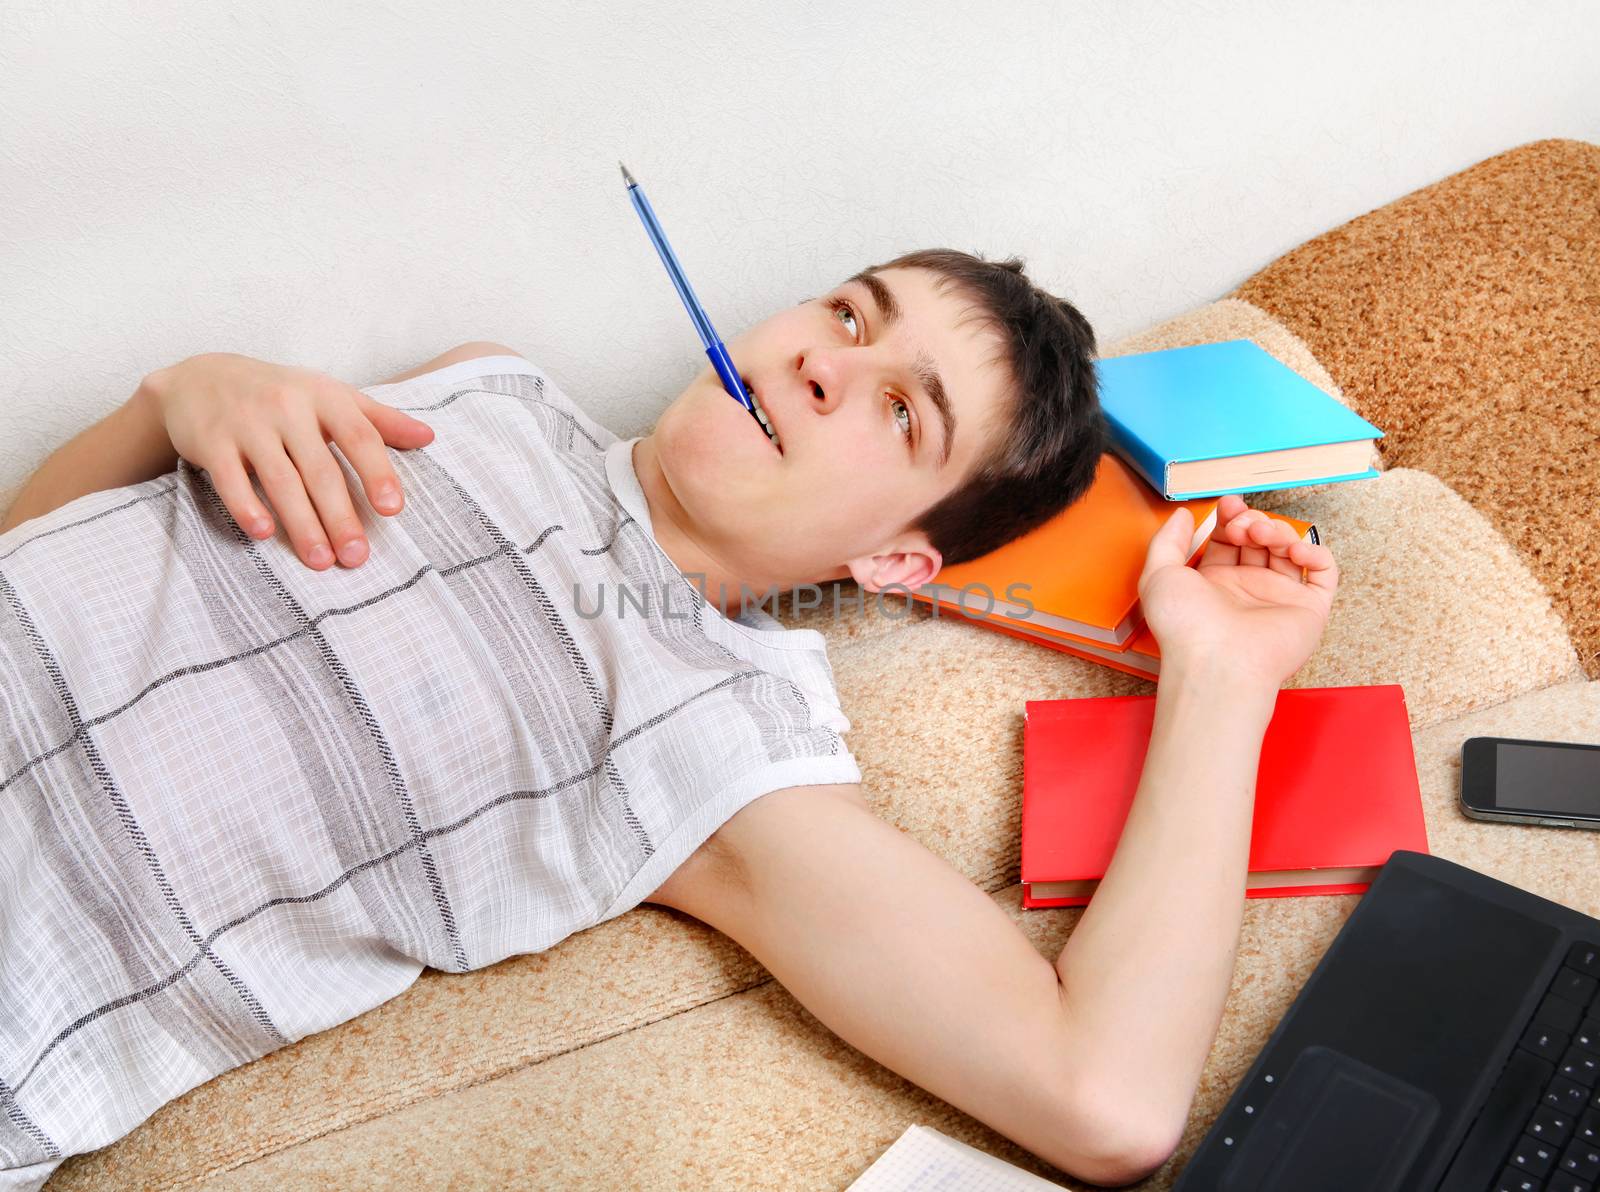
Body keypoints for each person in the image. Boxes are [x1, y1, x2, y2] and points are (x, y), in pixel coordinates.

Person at [0, 249, 1337, 1189]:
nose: (826, 363)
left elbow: (1106, 1102)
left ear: (897, 563)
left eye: (896, 409)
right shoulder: (483, 388)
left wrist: (1223, 681)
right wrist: (174, 398)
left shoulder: (723, 742)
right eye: (849, 318)